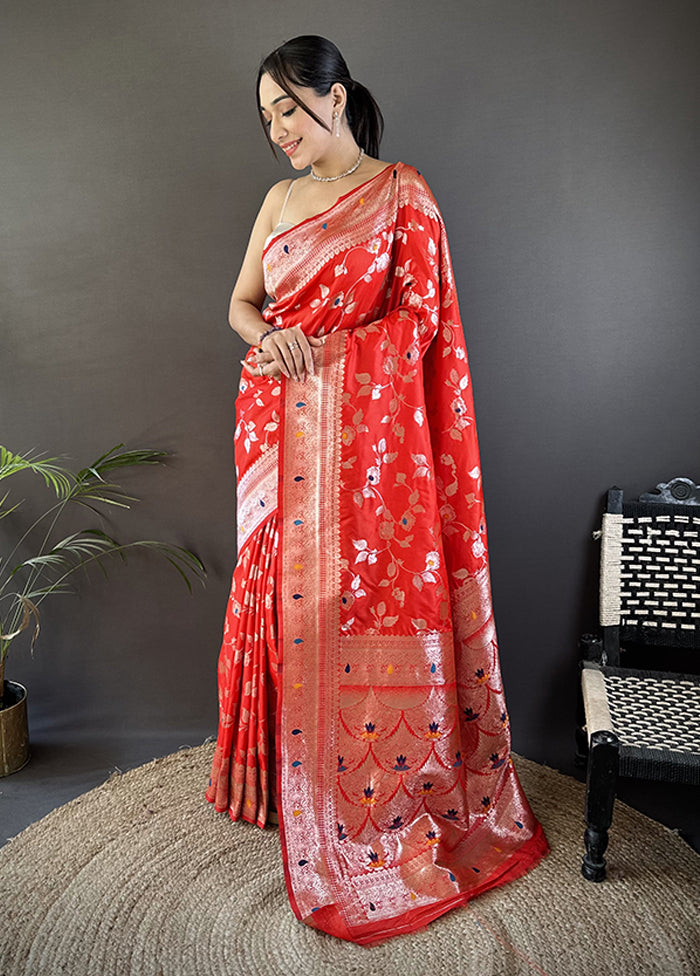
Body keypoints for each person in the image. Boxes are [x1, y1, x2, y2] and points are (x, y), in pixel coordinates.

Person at [205, 34, 548, 946]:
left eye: (290, 106)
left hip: (365, 451)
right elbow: (243, 304)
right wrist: (266, 342)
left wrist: (327, 359)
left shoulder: (405, 195)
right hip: (275, 431)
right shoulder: (278, 201)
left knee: (349, 606)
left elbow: (422, 323)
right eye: (267, 114)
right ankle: (271, 782)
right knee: (276, 600)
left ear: (338, 95)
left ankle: (354, 792)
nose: (278, 128)